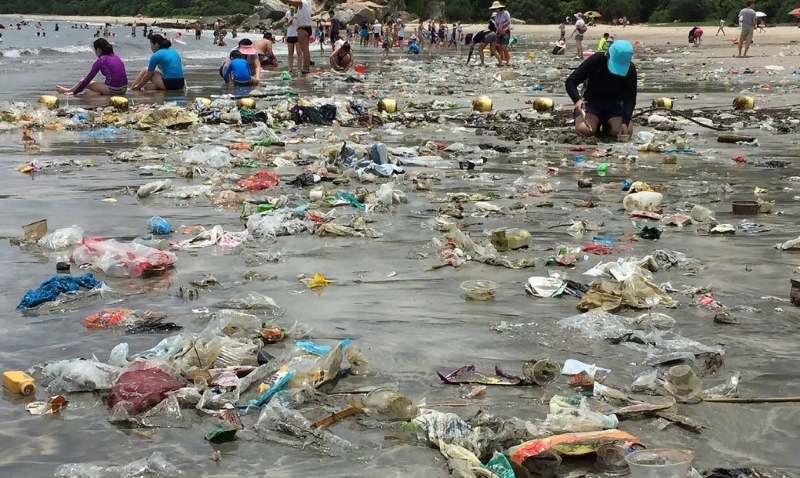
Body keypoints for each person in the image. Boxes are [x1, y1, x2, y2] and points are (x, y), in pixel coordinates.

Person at [565, 40, 637, 138]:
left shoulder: (630, 69)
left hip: (615, 105)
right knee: (585, 130)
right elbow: (571, 81)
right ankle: (596, 123)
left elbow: (630, 99)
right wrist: (577, 100)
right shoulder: (597, 60)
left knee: (623, 132)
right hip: (592, 104)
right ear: (608, 56)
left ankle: (608, 126)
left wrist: (625, 122)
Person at [55, 39, 128, 96]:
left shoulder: (101, 60)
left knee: (83, 81)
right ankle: (98, 93)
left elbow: (88, 79)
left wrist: (75, 92)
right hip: (124, 89)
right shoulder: (116, 57)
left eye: (95, 50)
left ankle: (69, 90)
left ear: (98, 50)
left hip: (113, 90)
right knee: (91, 89)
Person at [286, 0, 312, 74]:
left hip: (302, 28)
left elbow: (293, 2)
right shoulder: (308, 3)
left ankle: (306, 69)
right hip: (308, 27)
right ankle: (306, 67)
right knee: (306, 50)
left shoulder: (302, 3)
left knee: (304, 50)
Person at [490, 1, 511, 66]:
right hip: (499, 32)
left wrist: (503, 26)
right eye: (494, 9)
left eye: (496, 8)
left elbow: (509, 21)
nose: (495, 10)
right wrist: (498, 29)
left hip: (506, 31)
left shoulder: (505, 13)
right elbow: (496, 25)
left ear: (499, 8)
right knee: (500, 48)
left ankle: (507, 61)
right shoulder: (496, 16)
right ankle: (501, 61)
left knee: (504, 47)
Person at [283, 6, 301, 72]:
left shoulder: (299, 13)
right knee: (290, 53)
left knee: (299, 53)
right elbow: (285, 24)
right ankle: (290, 68)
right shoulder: (287, 13)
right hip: (290, 34)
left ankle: (299, 68)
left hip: (297, 35)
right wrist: (288, 23)